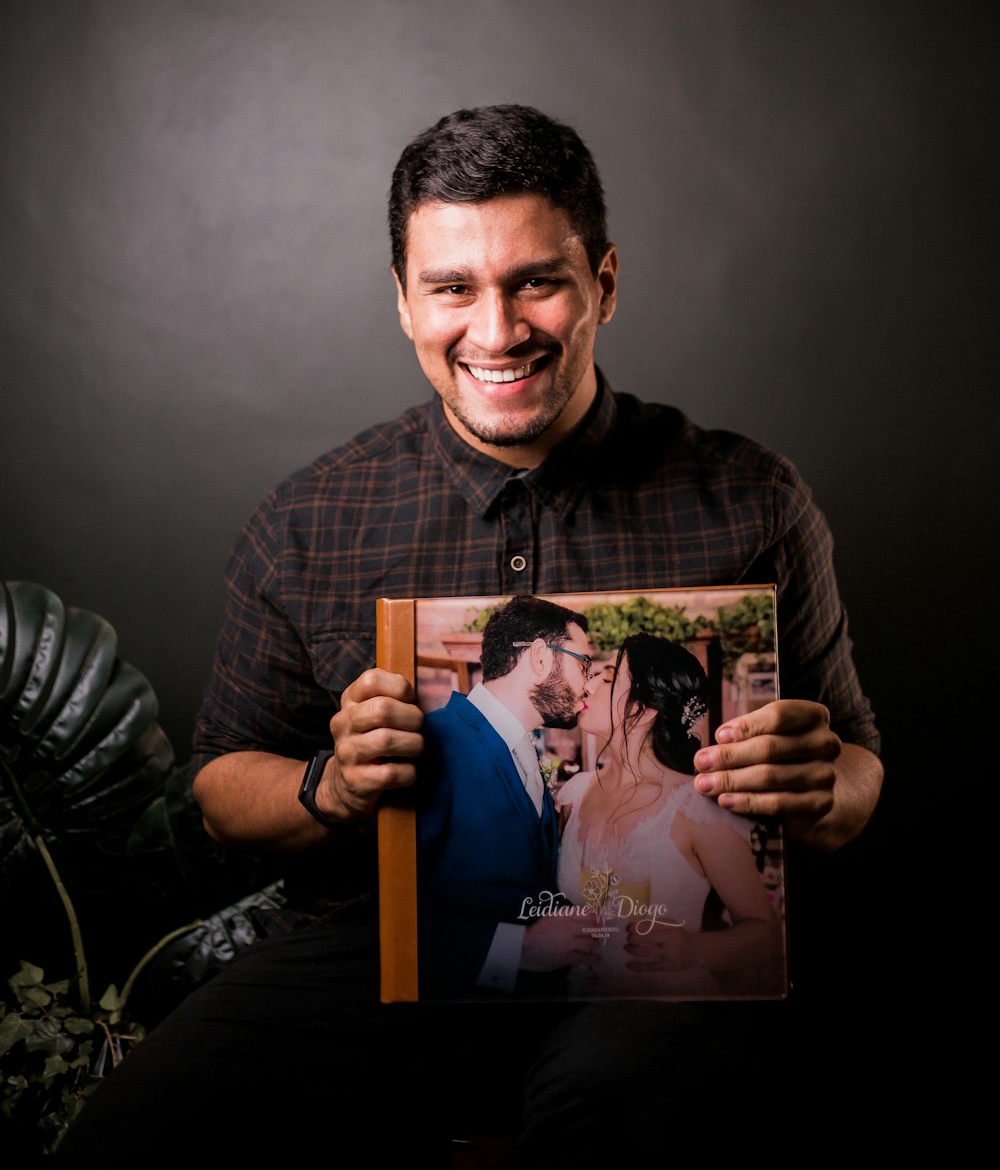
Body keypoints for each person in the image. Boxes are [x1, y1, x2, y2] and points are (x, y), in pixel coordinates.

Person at [56, 103, 884, 1162]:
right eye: (451, 288)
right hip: (381, 950)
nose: (495, 332)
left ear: (605, 285)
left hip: (657, 962)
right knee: (127, 1141)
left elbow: (857, 770)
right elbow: (223, 786)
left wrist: (819, 781)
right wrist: (332, 787)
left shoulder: (749, 498)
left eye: (535, 280)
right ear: (404, 303)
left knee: (616, 1102)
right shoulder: (312, 519)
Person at [556, 631, 783, 998]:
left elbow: (765, 935)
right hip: (577, 1008)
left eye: (609, 677)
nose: (590, 683)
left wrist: (694, 949)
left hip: (670, 1020)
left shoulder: (695, 809)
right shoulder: (576, 794)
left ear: (644, 710)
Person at [417, 592, 597, 997]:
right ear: (539, 656)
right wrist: (520, 949)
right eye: (583, 664)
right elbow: (395, 909)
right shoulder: (434, 740)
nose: (588, 684)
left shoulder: (524, 747)